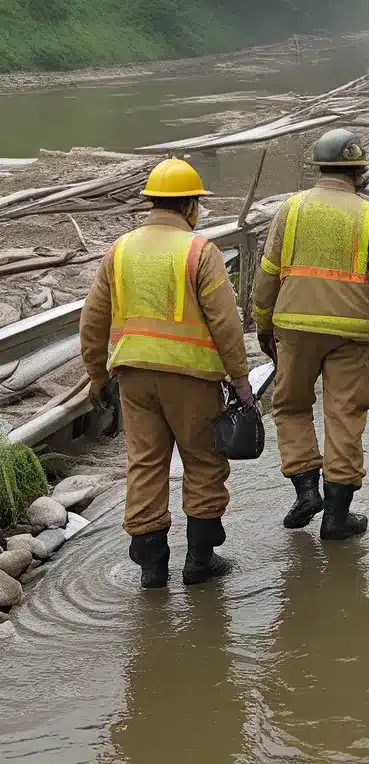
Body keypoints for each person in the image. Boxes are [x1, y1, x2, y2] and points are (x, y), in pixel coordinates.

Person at [79, 158, 253, 589]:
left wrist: (96, 375)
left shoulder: (119, 250)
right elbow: (225, 324)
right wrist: (240, 379)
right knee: (203, 463)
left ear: (152, 202)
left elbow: (92, 320)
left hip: (134, 379)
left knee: (145, 465)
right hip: (191, 379)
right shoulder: (199, 251)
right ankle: (200, 562)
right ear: (191, 206)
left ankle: (152, 570)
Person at [252, 128, 369, 541]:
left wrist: (263, 324)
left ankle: (306, 489)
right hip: (354, 333)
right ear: (358, 171)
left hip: (295, 327)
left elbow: (267, 273)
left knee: (291, 406)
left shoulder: (291, 209)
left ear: (319, 167)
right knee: (344, 416)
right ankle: (337, 518)